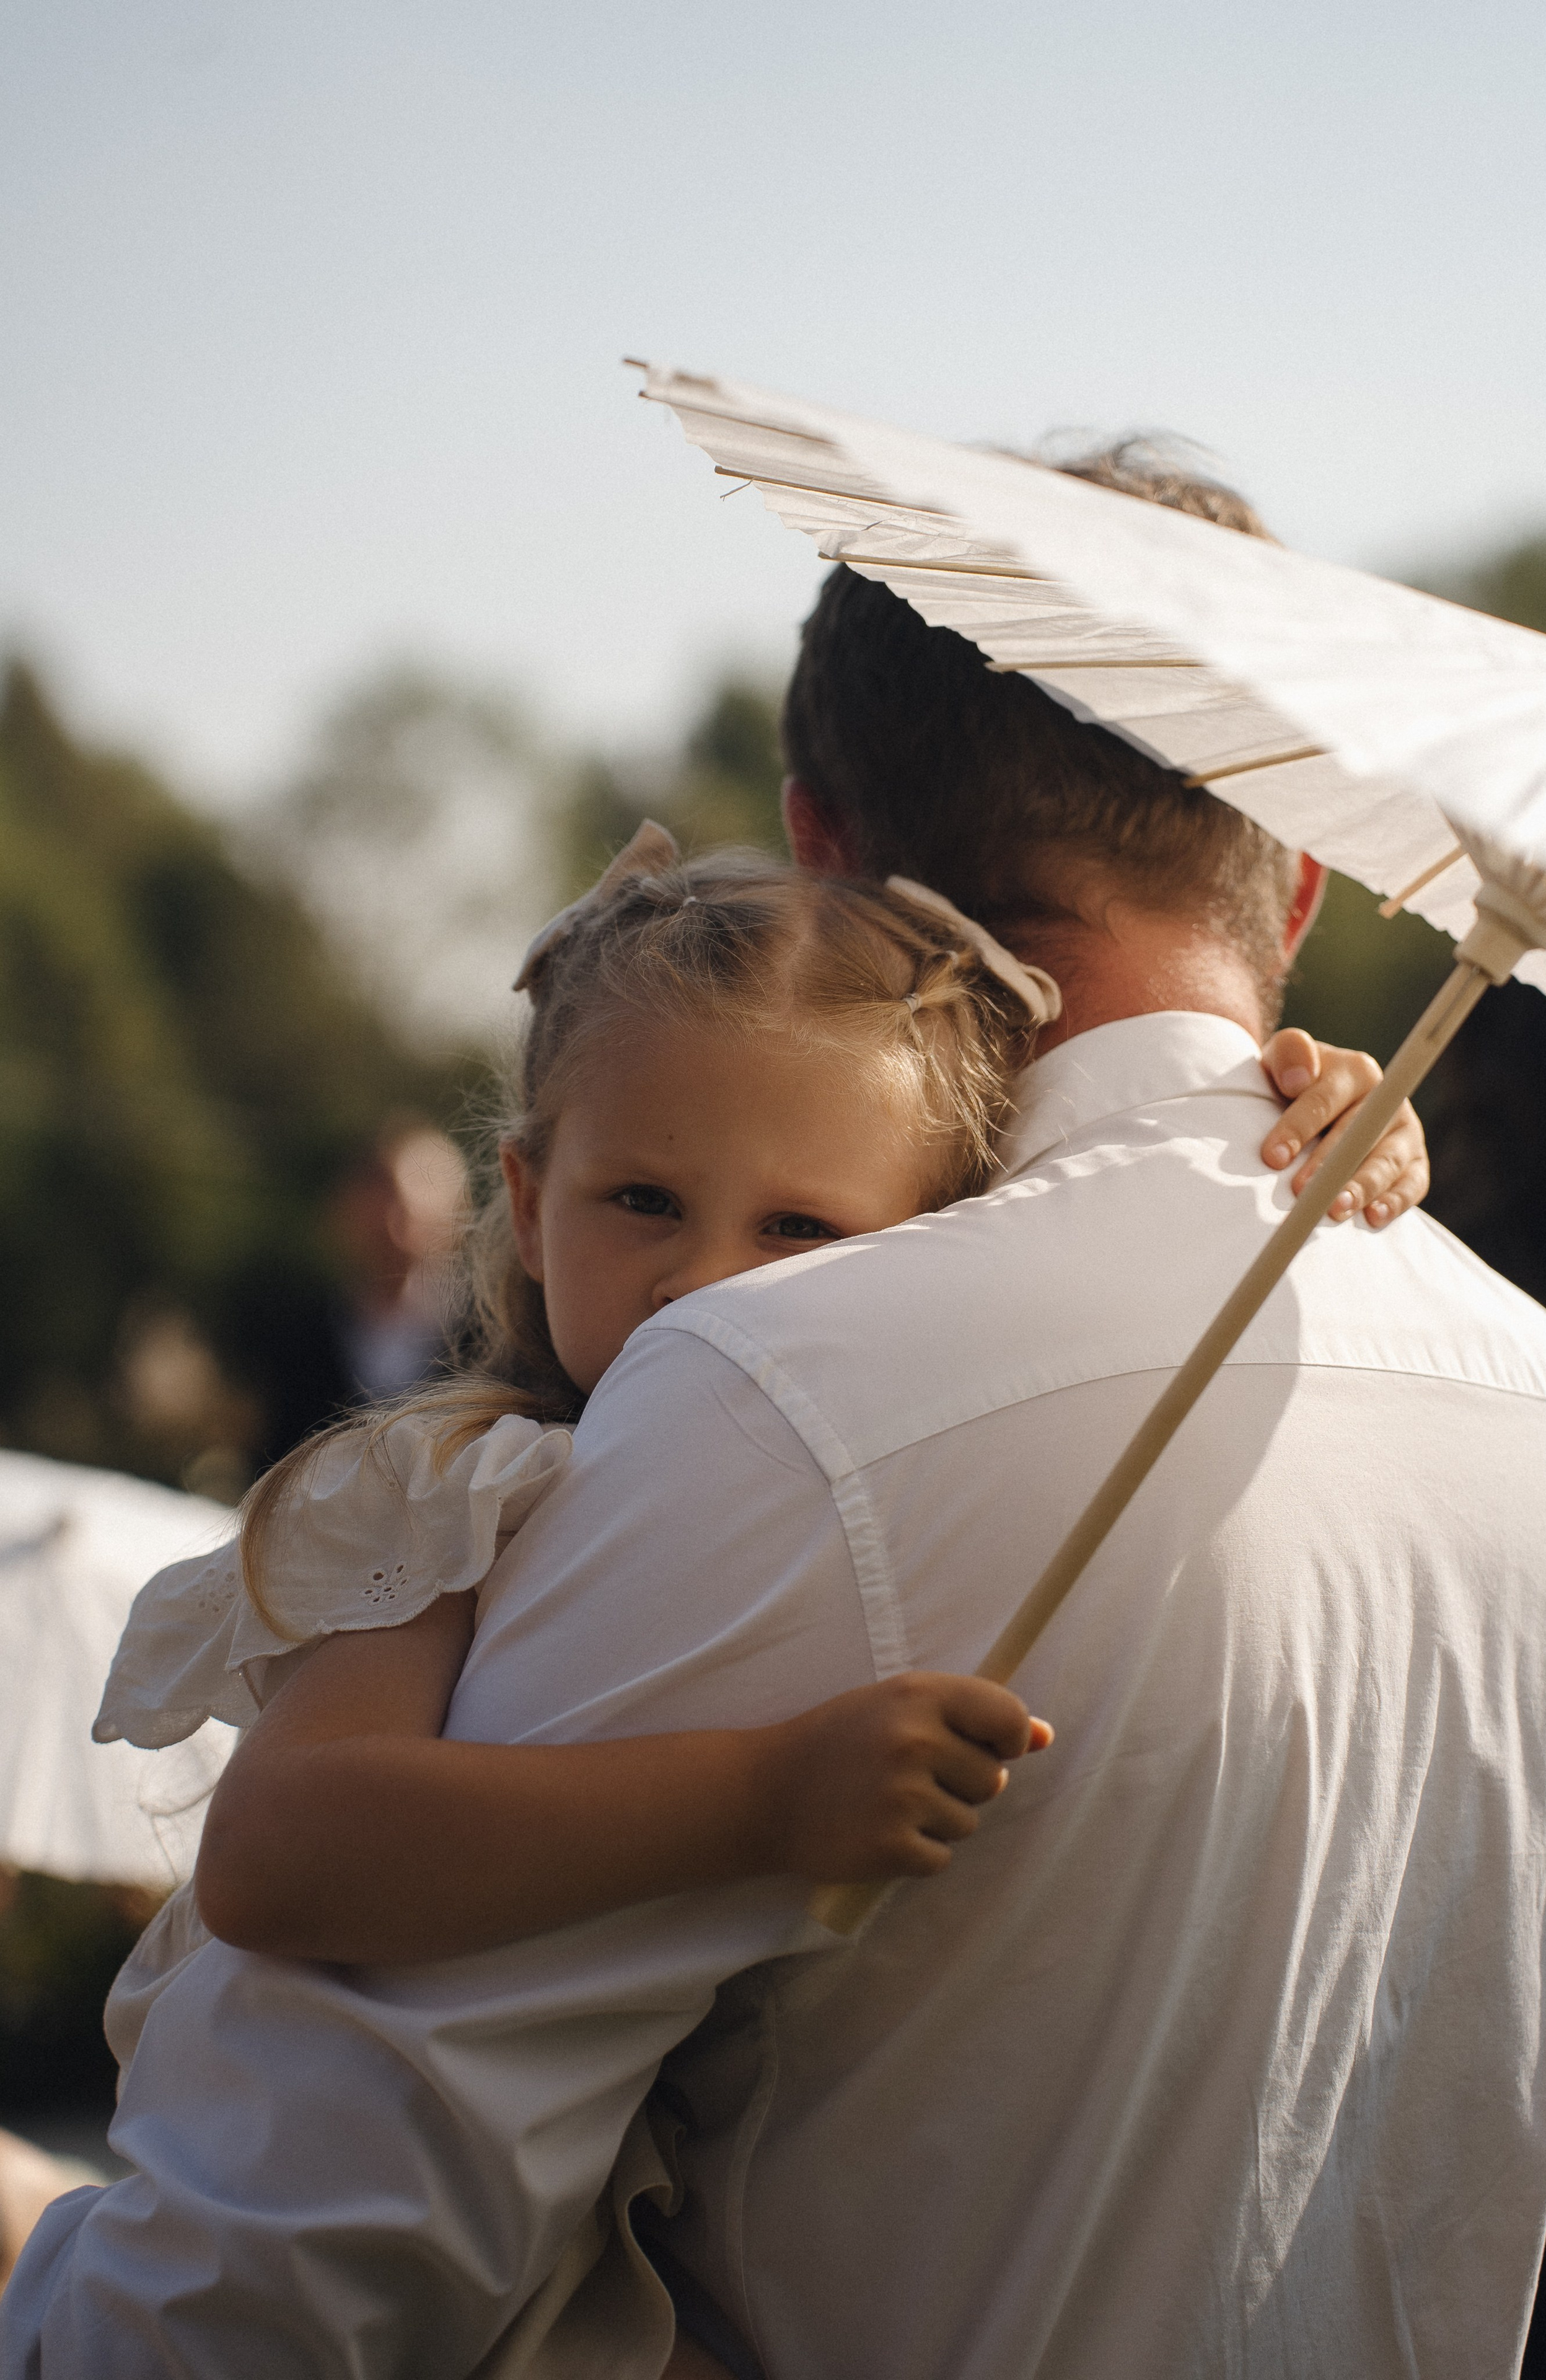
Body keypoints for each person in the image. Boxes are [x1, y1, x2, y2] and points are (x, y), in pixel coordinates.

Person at [1, 823, 1418, 2377]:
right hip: (251, 2302)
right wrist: (762, 1798)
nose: (707, 1282)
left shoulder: (841, 1466)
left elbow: (1104, 1211)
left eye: (801, 1229)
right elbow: (283, 1852)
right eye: (643, 1203)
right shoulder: (448, 1474)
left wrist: (1284, 1114)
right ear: (528, 1201)